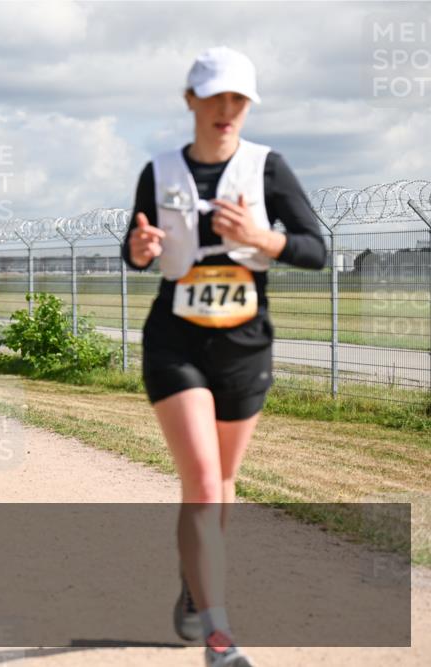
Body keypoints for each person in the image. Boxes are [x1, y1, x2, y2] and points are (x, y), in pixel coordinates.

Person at [122, 46, 325, 667]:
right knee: (204, 484)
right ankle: (219, 634)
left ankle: (195, 582)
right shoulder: (159, 171)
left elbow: (316, 249)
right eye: (215, 97)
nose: (227, 110)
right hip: (175, 339)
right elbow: (133, 251)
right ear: (191, 101)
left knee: (223, 485)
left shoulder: (268, 168)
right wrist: (141, 247)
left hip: (244, 342)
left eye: (239, 99)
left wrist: (260, 238)